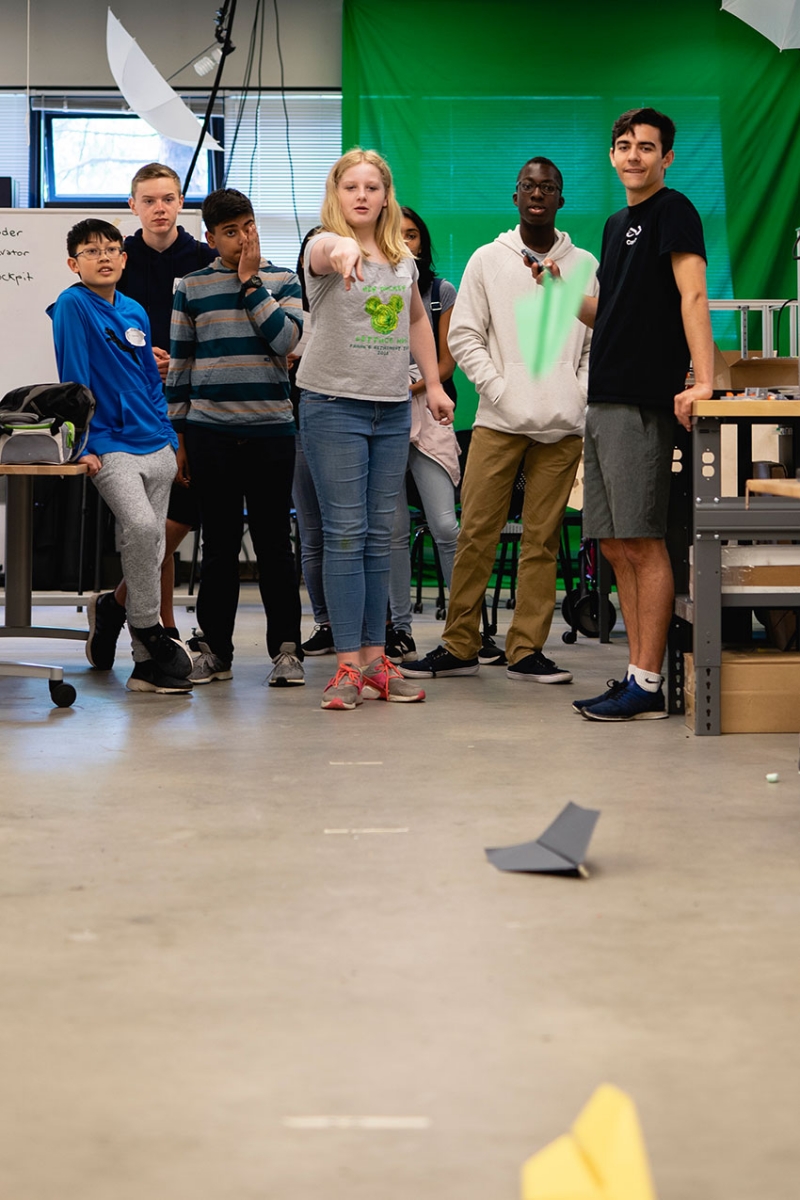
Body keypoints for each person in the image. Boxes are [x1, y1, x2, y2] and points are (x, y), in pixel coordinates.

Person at [401, 157, 596, 685]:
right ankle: (460, 644)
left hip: (562, 427)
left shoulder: (585, 264)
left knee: (541, 541)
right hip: (497, 423)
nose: (537, 193)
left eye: (548, 186)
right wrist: (500, 389)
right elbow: (464, 335)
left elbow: (595, 344)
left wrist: (575, 396)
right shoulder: (488, 259)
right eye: (528, 185)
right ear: (515, 196)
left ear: (560, 199)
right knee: (476, 534)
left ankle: (526, 649)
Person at [296, 148, 454, 710]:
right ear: (336, 194)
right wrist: (340, 247)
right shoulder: (320, 246)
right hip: (333, 405)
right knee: (343, 533)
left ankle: (374, 659)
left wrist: (433, 385)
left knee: (378, 536)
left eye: (371, 187)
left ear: (386, 196)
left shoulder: (401, 257)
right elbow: (322, 249)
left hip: (392, 409)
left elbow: (416, 319)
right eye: (350, 187)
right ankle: (344, 667)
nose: (361, 195)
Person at [569, 108, 713, 722]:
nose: (634, 156)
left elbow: (693, 293)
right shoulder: (614, 223)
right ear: (612, 154)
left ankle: (648, 682)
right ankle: (637, 674)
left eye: (647, 148)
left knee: (643, 541)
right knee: (617, 544)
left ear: (666, 158)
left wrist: (703, 379)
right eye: (624, 145)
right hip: (603, 398)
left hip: (641, 401)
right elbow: (610, 311)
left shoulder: (673, 209)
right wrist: (556, 290)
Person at [166, 188, 305, 687]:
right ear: (210, 237)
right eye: (230, 231)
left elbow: (289, 342)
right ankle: (215, 652)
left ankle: (287, 651)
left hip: (271, 430)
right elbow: (180, 364)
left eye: (247, 226)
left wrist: (251, 286)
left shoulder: (284, 280)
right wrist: (179, 438)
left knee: (274, 544)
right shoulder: (191, 286)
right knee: (219, 545)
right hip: (209, 433)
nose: (242, 238)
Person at [48, 218, 193, 694]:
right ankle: (149, 630)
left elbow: (151, 380)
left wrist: (169, 435)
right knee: (142, 529)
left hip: (155, 440)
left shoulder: (134, 309)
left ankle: (141, 656)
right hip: (109, 444)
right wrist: (82, 446)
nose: (105, 256)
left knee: (151, 551)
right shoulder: (72, 304)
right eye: (92, 251)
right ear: (75, 263)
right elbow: (73, 378)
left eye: (112, 249)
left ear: (124, 259)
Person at [85, 163, 216, 670]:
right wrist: (140, 359)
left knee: (181, 516)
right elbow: (94, 330)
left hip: (197, 399)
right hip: (133, 411)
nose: (160, 208)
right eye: (149, 200)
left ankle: (117, 603)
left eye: (168, 198)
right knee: (153, 523)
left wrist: (180, 360)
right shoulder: (119, 258)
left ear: (181, 202)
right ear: (133, 206)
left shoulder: (203, 259)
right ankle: (162, 625)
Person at [385, 205, 462, 665]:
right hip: (383, 416)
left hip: (429, 413)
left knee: (446, 526)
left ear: (422, 242)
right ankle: (399, 629)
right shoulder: (371, 282)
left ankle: (464, 624)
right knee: (392, 531)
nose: (406, 242)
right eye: (398, 235)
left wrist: (413, 385)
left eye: (412, 235)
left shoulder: (439, 291)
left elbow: (447, 364)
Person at [289, 227, 335, 658]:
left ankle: (372, 625)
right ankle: (325, 622)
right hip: (297, 422)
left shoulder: (353, 298)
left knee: (354, 531)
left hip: (344, 420)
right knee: (312, 531)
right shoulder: (288, 298)